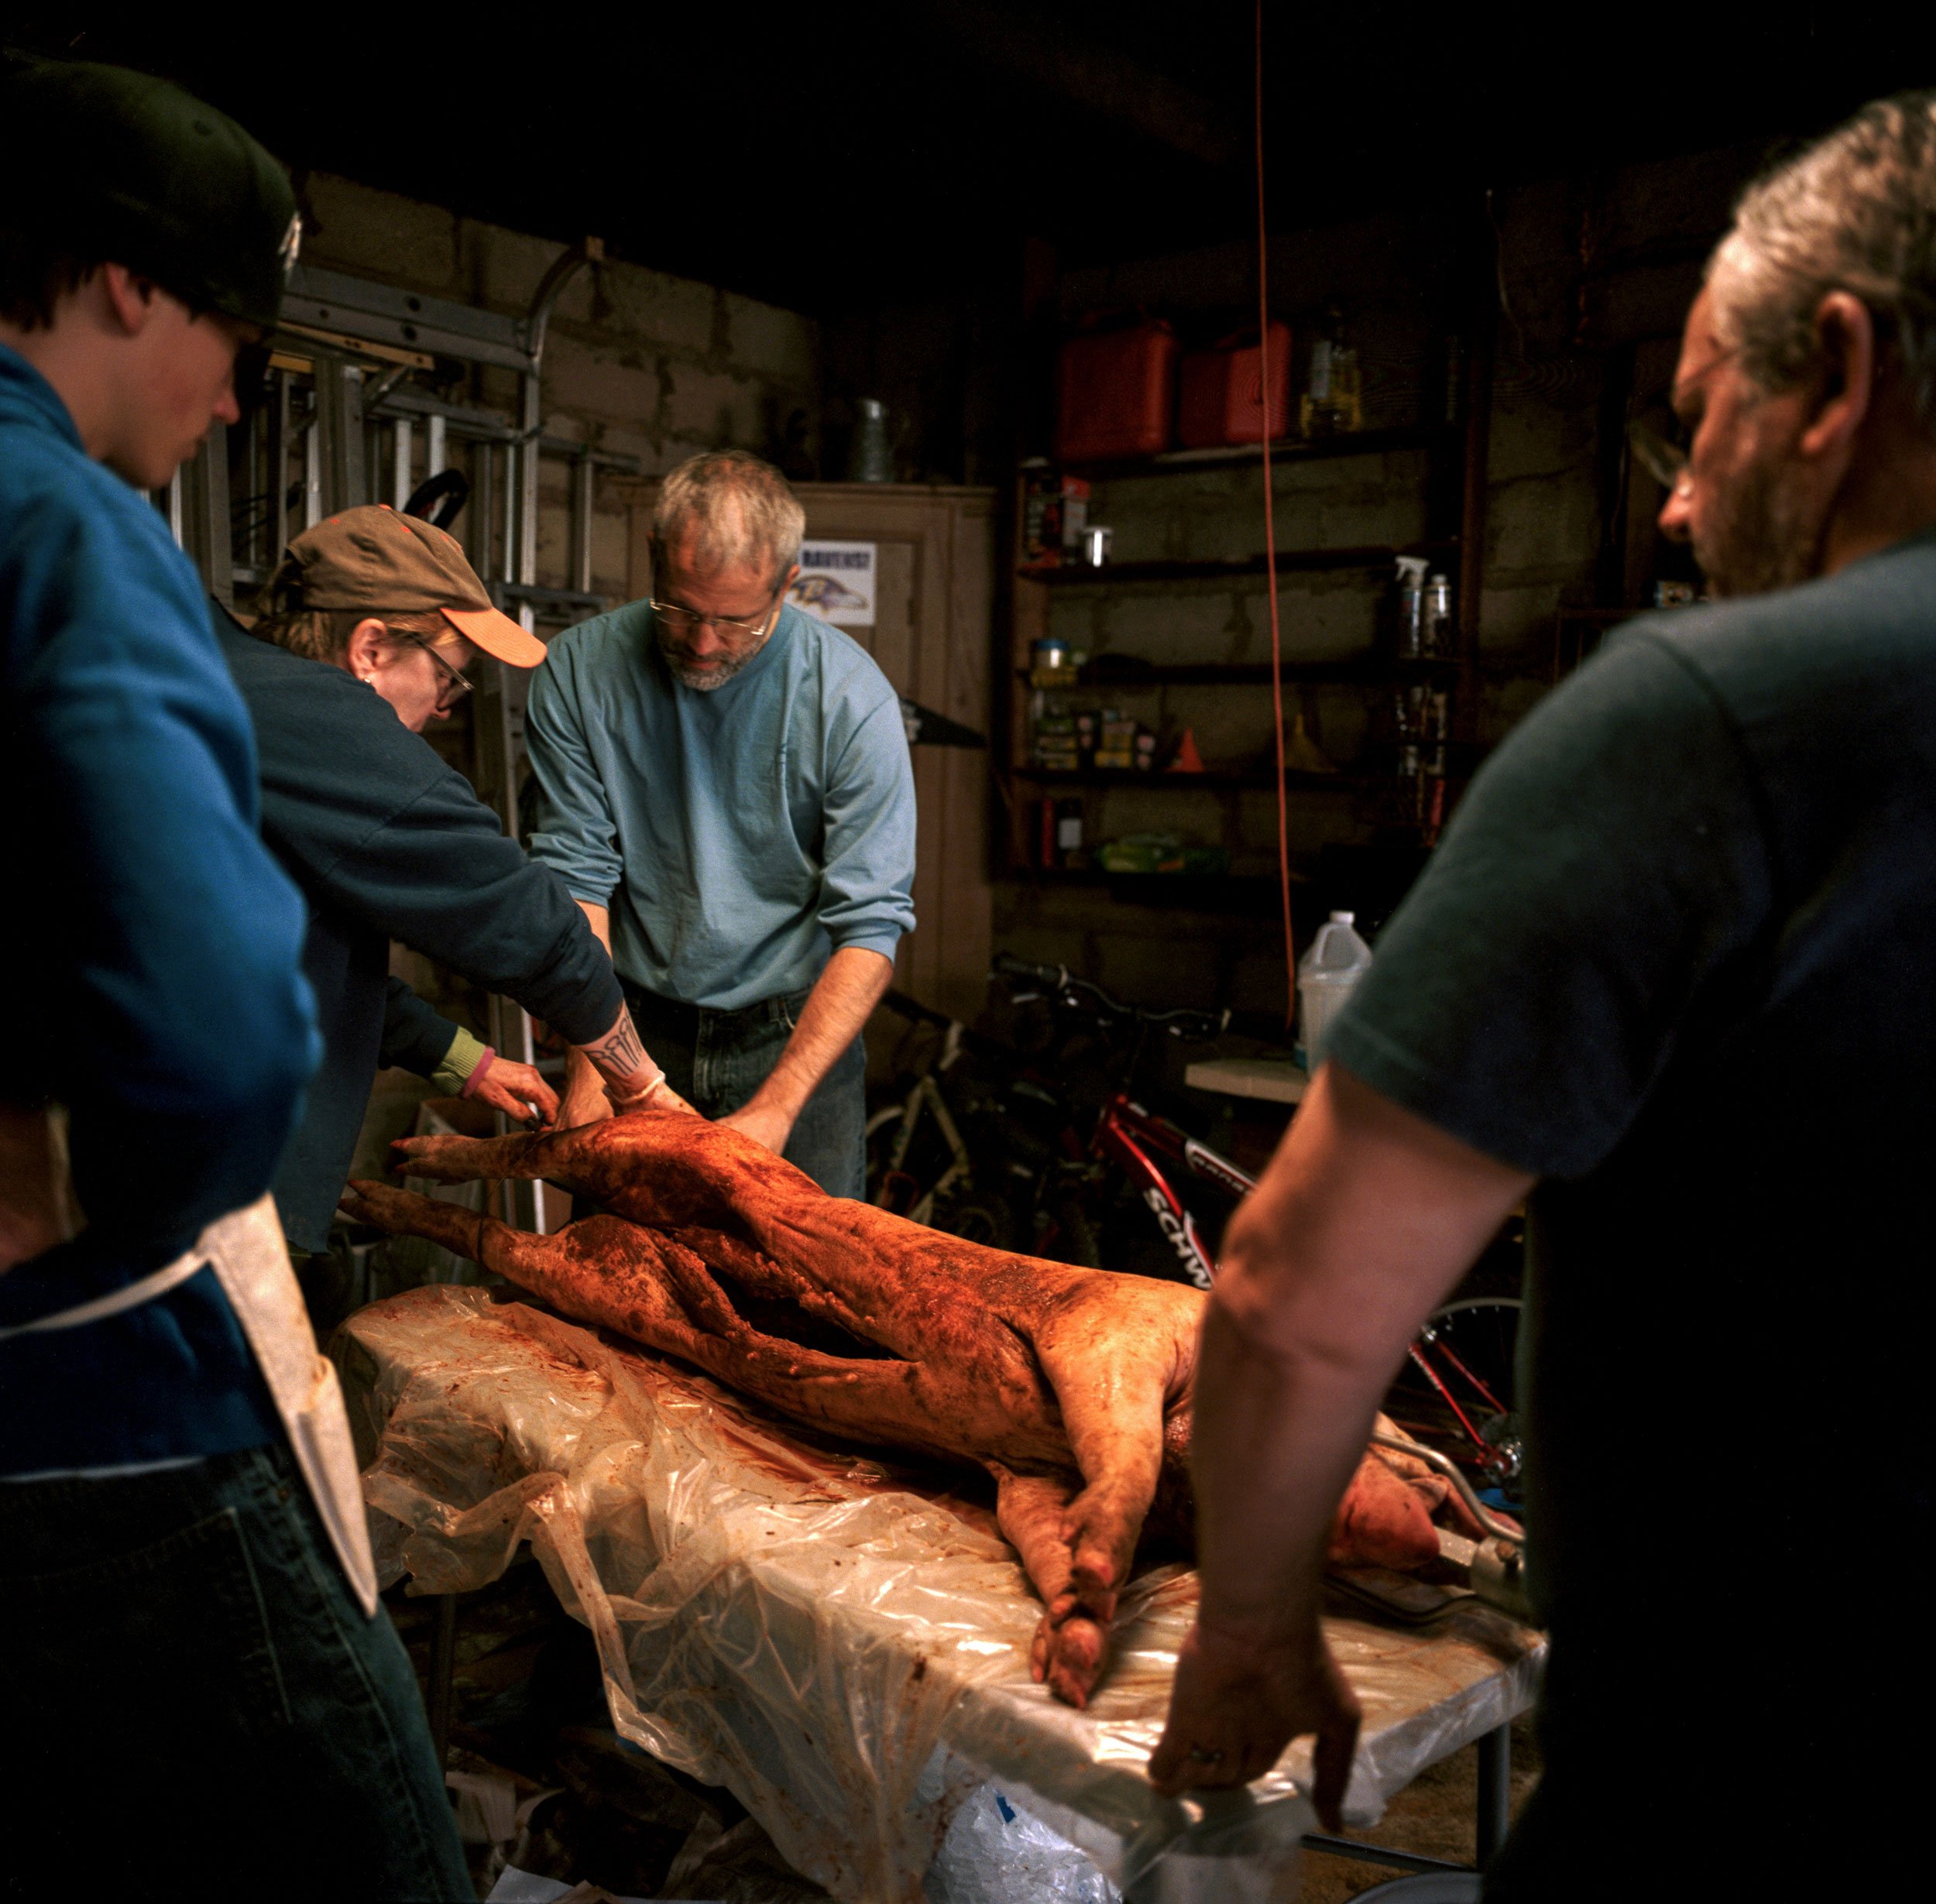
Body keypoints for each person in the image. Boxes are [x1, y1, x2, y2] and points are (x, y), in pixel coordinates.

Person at [1150, 92, 1936, 1899]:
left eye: (1696, 417)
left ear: (1834, 371)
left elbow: (1288, 1299)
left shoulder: (1710, 720)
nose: (1673, 495)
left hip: (1757, 1802)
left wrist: (1255, 1625)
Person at [0, 58, 471, 1900]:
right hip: (82, 1387)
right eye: (240, 348)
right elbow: (213, 1031)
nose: (226, 402)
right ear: (128, 285)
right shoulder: (72, 528)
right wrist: (130, 1203)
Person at [221, 504, 690, 1319]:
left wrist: (458, 1055)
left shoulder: (240, 690)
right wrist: (643, 1087)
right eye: (447, 674)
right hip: (209, 1186)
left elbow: (291, 946)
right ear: (369, 649)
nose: (447, 705)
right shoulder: (321, 723)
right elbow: (512, 908)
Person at [526, 450, 917, 1195]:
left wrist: (777, 1107)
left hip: (793, 1033)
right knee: (621, 1279)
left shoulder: (851, 699)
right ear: (651, 560)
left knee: (807, 1293)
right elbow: (577, 875)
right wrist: (590, 1060)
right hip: (630, 1022)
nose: (703, 644)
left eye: (737, 621)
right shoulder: (577, 671)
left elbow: (871, 928)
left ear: (786, 586)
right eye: (680, 610)